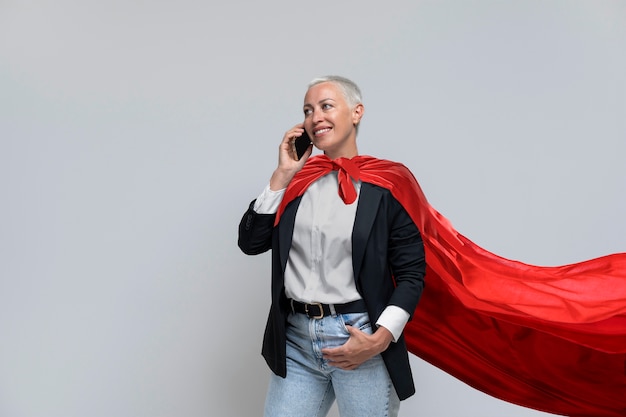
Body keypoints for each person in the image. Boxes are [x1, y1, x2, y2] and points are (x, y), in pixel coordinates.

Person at [238, 75, 426, 417]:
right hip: (296, 339)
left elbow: (412, 273)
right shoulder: (296, 182)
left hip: (359, 337)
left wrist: (382, 337)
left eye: (326, 106)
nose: (315, 117)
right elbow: (250, 243)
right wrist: (282, 174)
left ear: (356, 112)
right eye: (308, 110)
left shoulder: (388, 184)